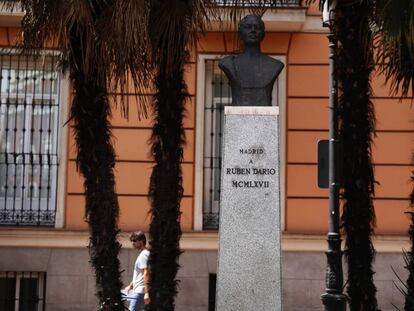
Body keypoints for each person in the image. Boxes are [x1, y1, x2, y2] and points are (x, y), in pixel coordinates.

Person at [219, 14, 284, 106]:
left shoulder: (274, 65)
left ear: (263, 34)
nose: (253, 30)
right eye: (248, 27)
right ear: (240, 34)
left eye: (257, 27)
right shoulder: (229, 63)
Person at [125, 231, 150, 311]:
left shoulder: (144, 255)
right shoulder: (144, 254)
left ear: (141, 241)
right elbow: (140, 274)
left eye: (135, 241)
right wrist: (131, 285)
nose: (132, 243)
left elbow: (146, 273)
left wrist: (146, 293)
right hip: (138, 290)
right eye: (132, 241)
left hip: (140, 291)